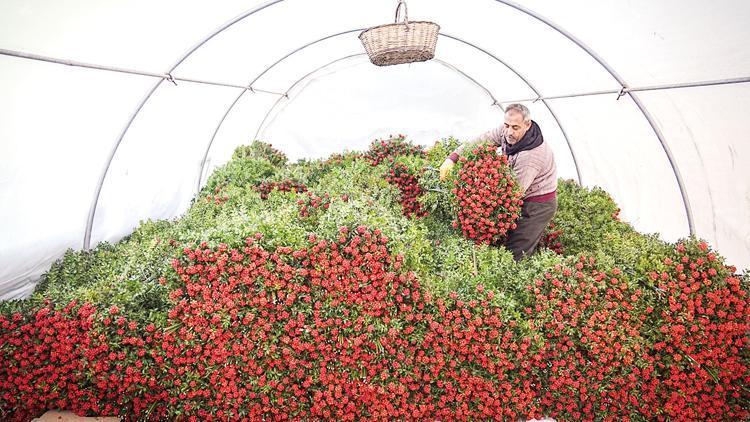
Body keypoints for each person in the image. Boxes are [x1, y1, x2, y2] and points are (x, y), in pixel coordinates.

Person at [439, 103, 557, 260]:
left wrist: (478, 206)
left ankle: (513, 276)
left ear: (527, 125)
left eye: (515, 127)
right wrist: (453, 158)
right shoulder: (507, 131)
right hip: (519, 194)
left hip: (537, 204)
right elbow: (482, 140)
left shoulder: (530, 157)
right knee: (502, 240)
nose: (509, 132)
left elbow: (513, 193)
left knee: (516, 251)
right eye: (506, 125)